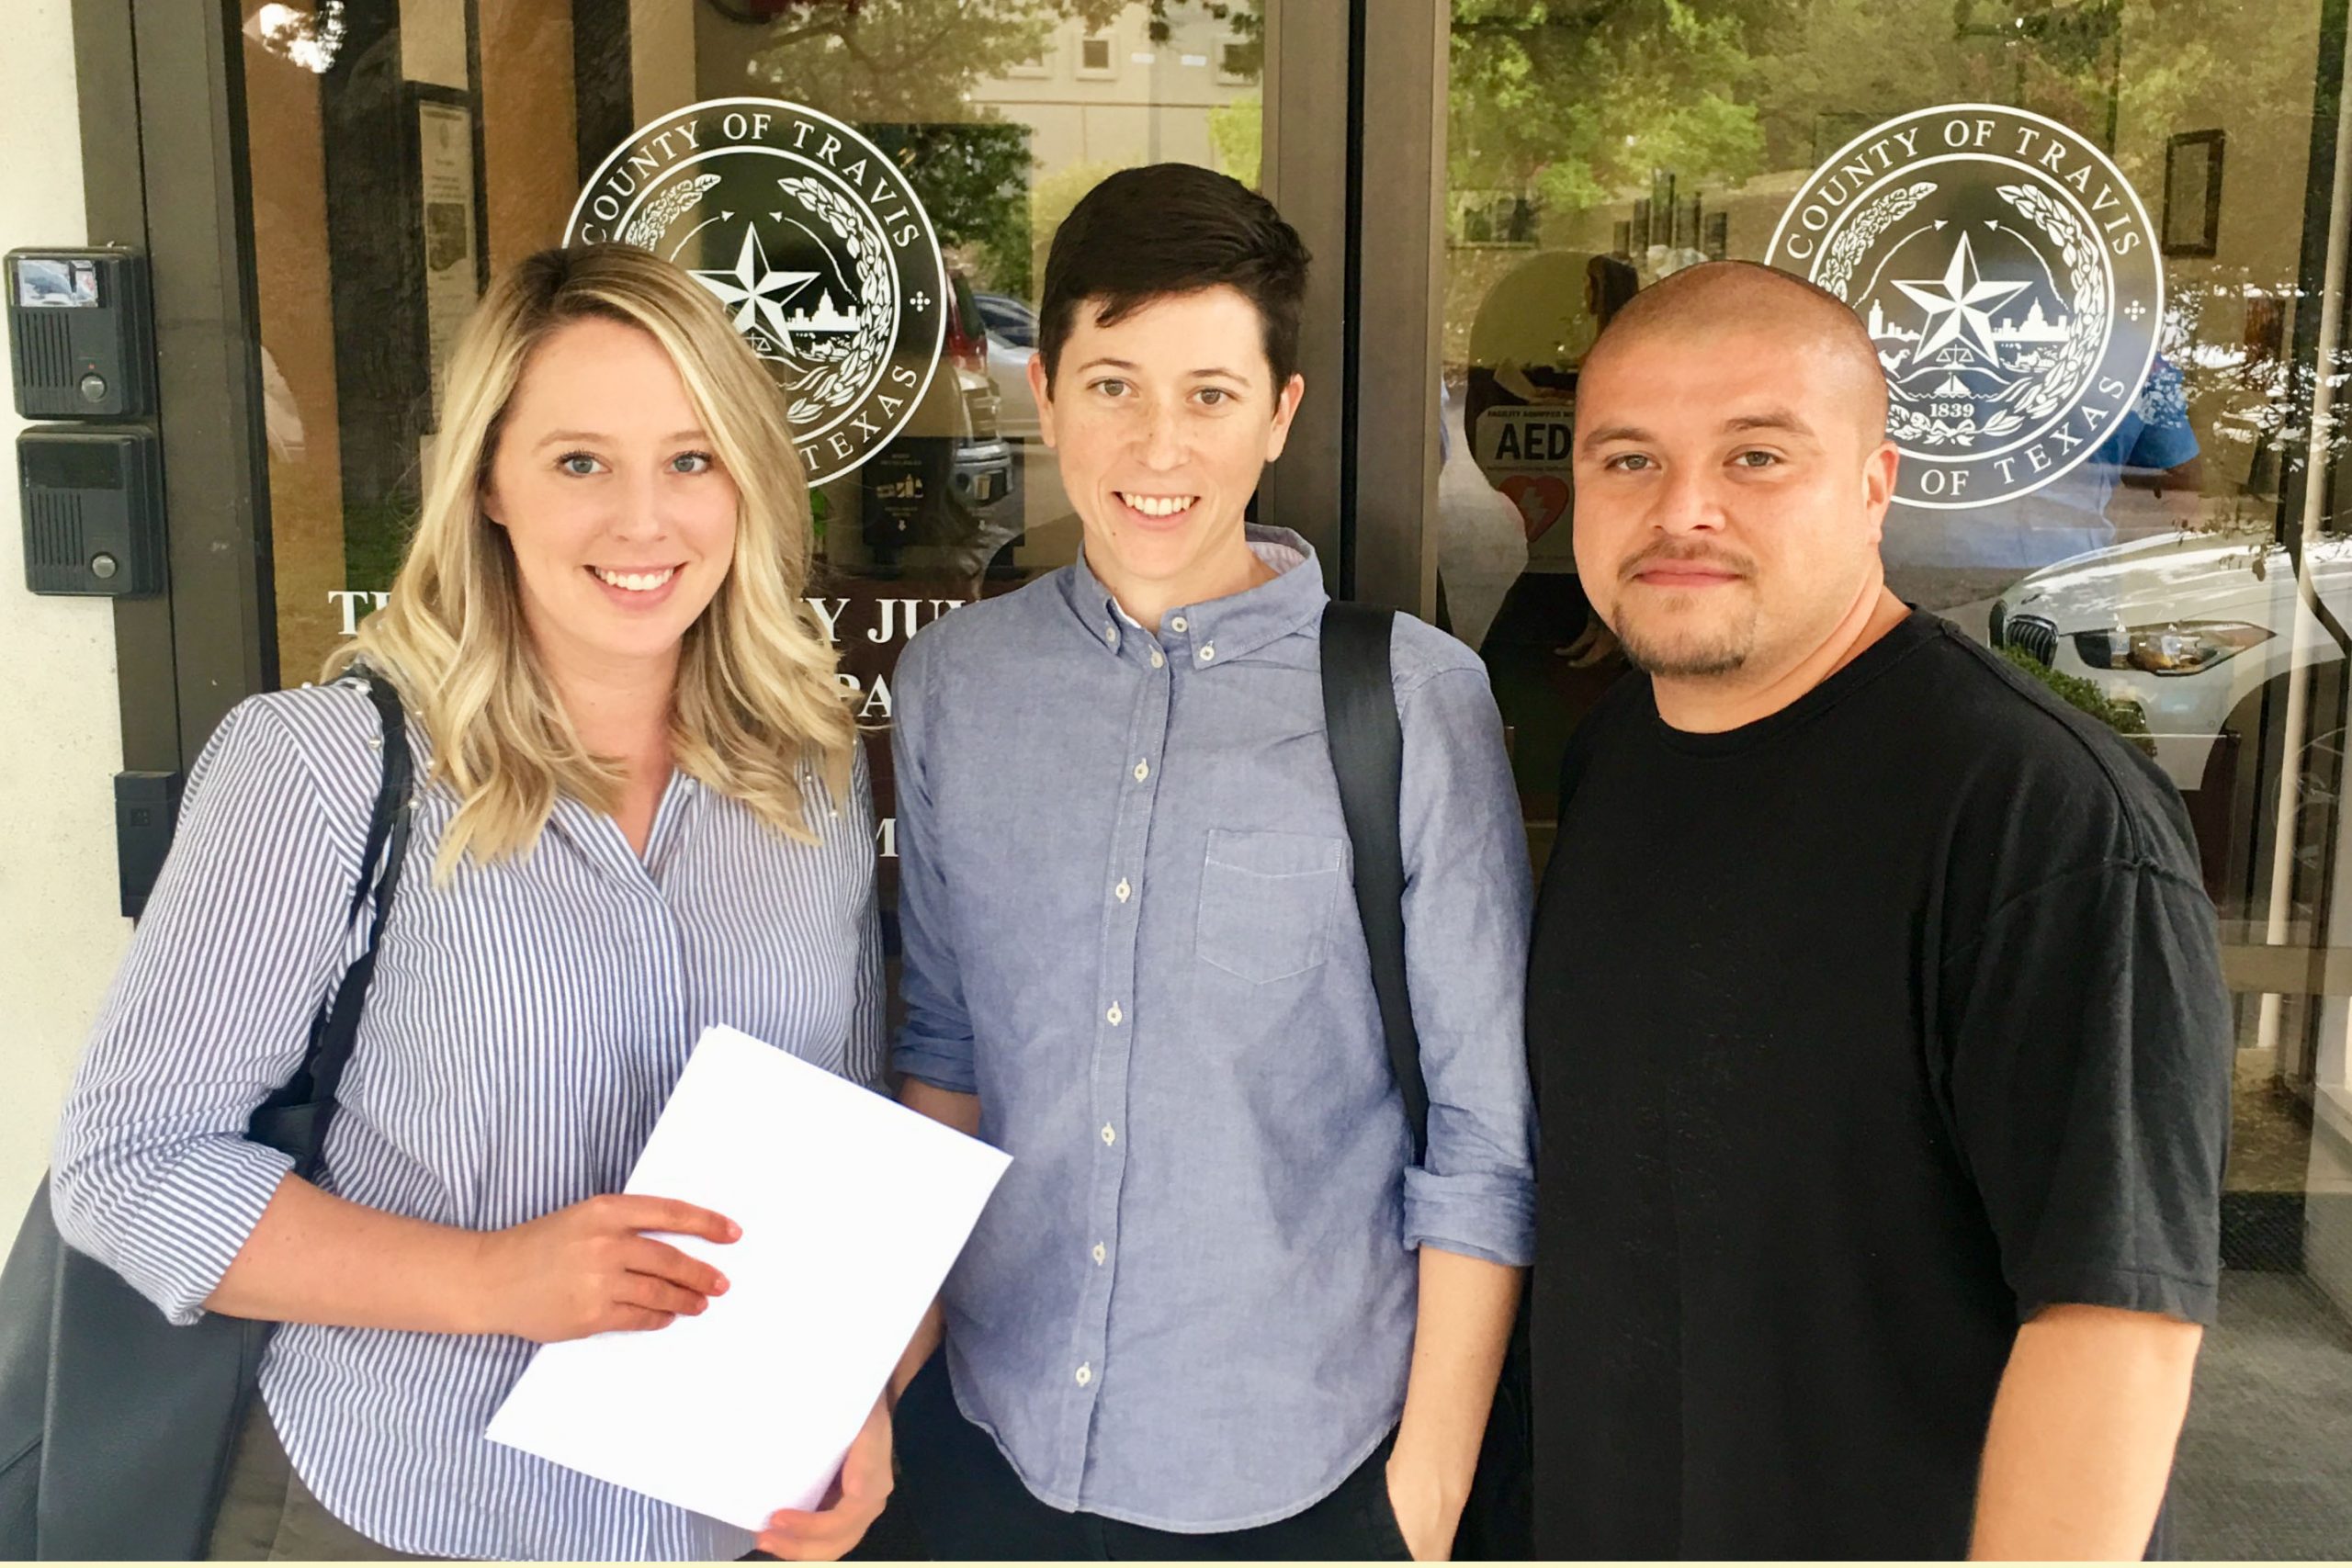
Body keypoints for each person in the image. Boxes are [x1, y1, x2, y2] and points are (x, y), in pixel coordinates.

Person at [49, 246, 891, 1562]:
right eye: (579, 462)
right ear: (489, 481)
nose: (644, 521)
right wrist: (492, 1280)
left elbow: (842, 1147)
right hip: (407, 1502)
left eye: (690, 459)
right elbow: (126, 1166)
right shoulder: (325, 768)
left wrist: (855, 1397)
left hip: (719, 1513)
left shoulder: (807, 778)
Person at [1525, 259, 2231, 1559]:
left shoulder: (2040, 819)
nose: (1682, 510)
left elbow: (2115, 1323)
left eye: (1755, 457)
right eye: (1628, 460)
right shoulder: (1622, 751)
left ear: (1872, 486)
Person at [886, 164, 1536, 1561]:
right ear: (1045, 393)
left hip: (1303, 1458)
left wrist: (1427, 1495)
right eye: (1113, 385)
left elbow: (1486, 1130)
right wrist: (887, 1367)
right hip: (990, 1431)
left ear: (1279, 414)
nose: (1159, 445)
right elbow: (945, 1045)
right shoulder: (955, 685)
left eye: (1211, 394)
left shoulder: (1411, 699)